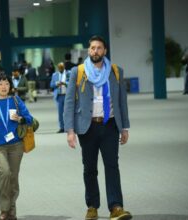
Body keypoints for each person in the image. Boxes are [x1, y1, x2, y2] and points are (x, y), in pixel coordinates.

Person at [63, 36, 132, 220]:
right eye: (92, 48)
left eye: (99, 48)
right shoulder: (78, 72)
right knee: (90, 168)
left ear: (105, 51)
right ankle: (92, 206)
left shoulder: (116, 72)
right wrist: (69, 130)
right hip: (88, 127)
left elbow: (121, 102)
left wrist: (124, 127)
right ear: (88, 50)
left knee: (112, 166)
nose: (95, 51)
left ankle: (116, 206)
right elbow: (69, 103)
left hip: (110, 125)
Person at [0, 73, 33, 220]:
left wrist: (20, 118)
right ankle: (4, 209)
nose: (4, 87)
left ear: (10, 86)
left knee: (13, 178)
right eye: (0, 84)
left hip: (16, 145)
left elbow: (30, 119)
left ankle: (11, 212)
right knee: (5, 173)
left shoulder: (16, 100)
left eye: (6, 84)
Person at [50, 62, 70, 133]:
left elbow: (72, 83)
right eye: (59, 68)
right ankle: (62, 127)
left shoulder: (68, 73)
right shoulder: (54, 75)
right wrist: (56, 84)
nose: (60, 69)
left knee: (67, 112)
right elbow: (51, 85)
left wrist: (65, 83)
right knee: (60, 113)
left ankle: (68, 127)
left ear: (64, 67)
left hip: (67, 96)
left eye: (62, 68)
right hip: (59, 96)